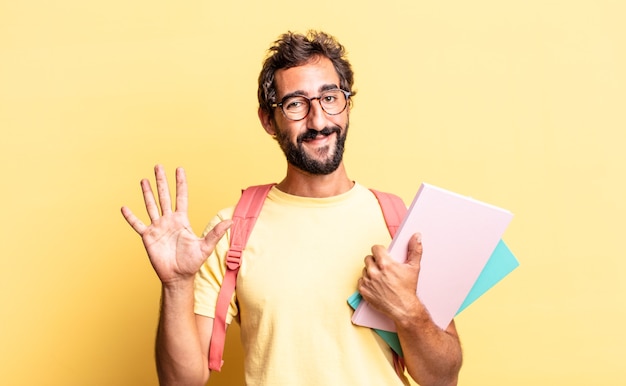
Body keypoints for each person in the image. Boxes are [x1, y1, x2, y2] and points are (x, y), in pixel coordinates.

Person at [121, 30, 462, 386]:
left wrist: (409, 311)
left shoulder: (401, 226)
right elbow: (181, 382)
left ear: (347, 105)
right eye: (296, 104)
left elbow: (443, 379)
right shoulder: (230, 230)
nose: (318, 121)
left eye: (330, 97)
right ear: (269, 120)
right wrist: (177, 284)